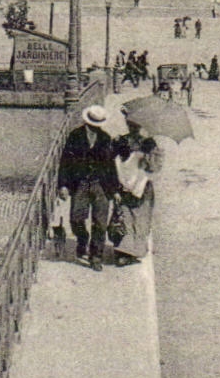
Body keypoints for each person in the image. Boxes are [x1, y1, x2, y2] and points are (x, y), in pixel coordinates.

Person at [57, 104, 119, 271]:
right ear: (87, 122)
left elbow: (110, 165)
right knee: (76, 219)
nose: (95, 127)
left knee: (100, 223)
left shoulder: (105, 138)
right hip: (80, 183)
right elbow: (65, 161)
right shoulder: (75, 136)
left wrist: (115, 189)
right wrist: (63, 185)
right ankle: (82, 238)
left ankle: (95, 256)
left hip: (101, 184)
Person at [108, 128, 159, 266]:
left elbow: (148, 170)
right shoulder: (116, 161)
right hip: (125, 193)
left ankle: (132, 252)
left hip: (142, 192)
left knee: (140, 222)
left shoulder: (138, 157)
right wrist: (116, 192)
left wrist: (150, 146)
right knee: (125, 221)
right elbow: (114, 177)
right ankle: (123, 252)